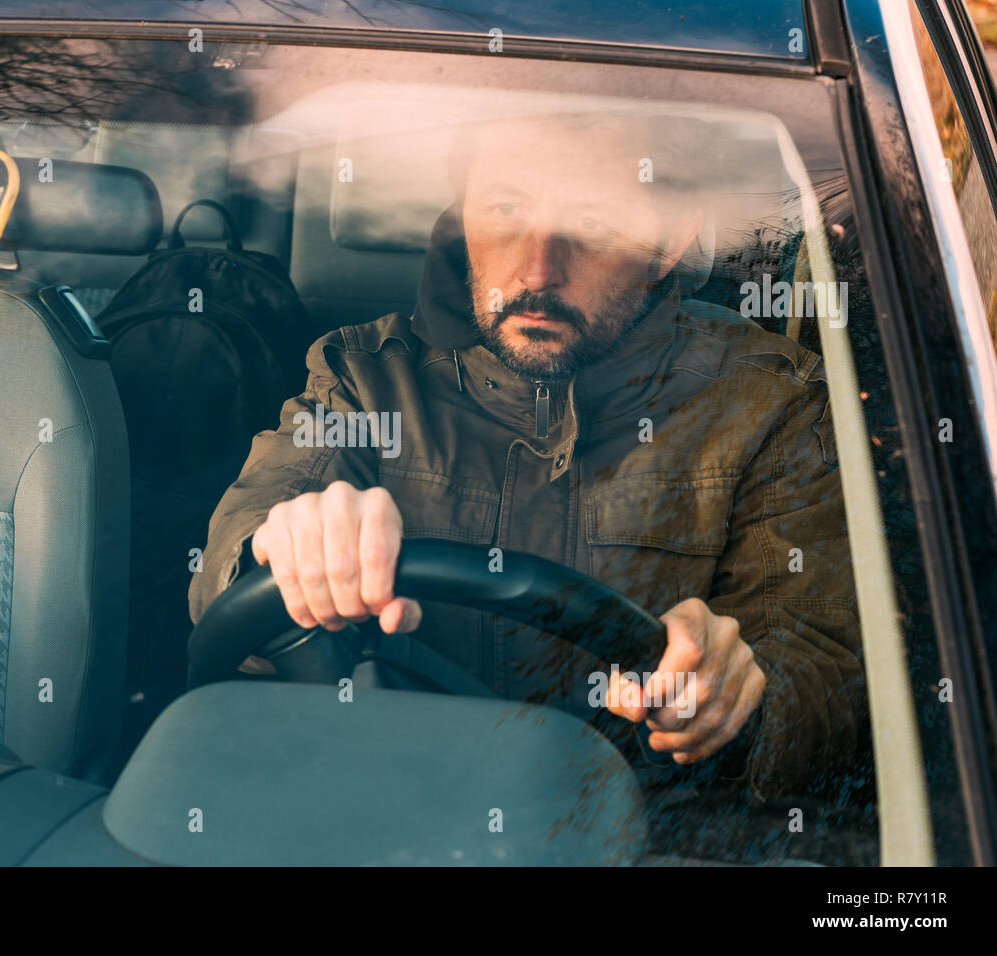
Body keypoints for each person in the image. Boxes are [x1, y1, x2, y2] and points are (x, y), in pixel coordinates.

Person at [188, 112, 867, 802]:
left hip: (656, 839)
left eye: (595, 221)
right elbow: (239, 551)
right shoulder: (364, 376)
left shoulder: (767, 400)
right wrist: (285, 545)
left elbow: (825, 677)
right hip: (381, 817)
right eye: (506, 207)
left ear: (669, 242)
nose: (539, 267)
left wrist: (743, 695)